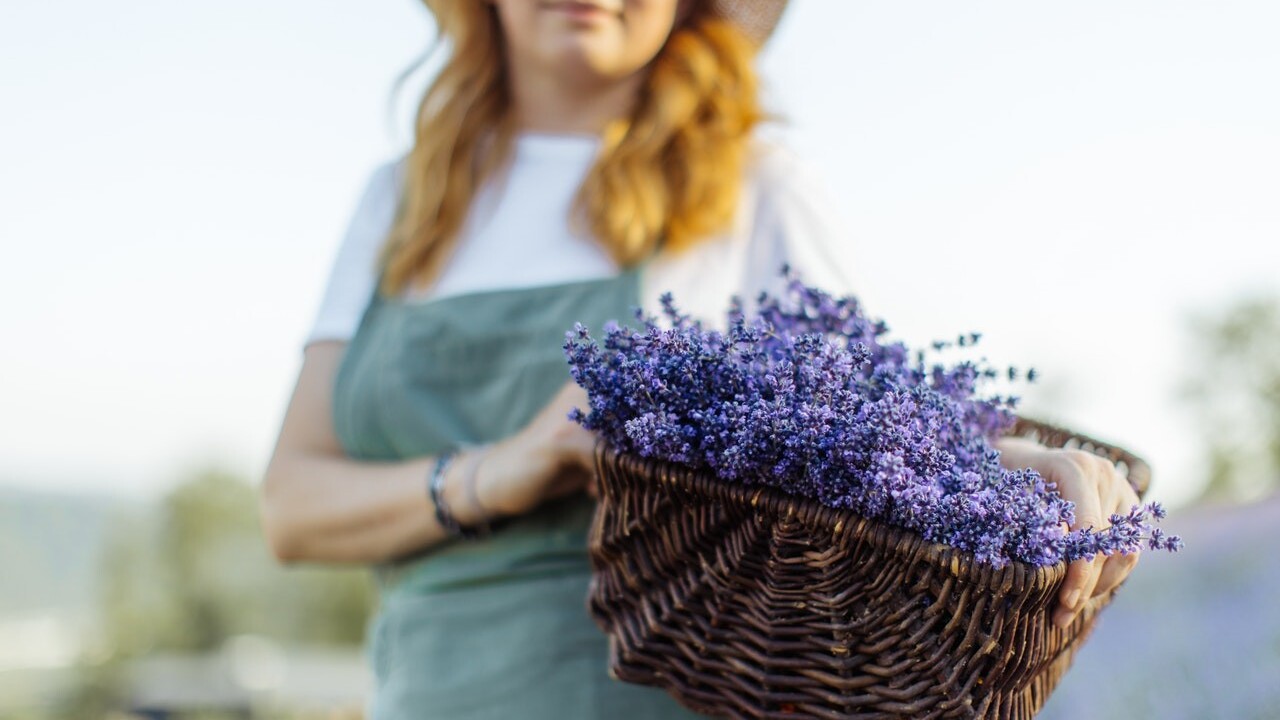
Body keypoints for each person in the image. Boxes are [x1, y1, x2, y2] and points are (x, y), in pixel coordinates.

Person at [261, 1, 1142, 717]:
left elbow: (868, 430)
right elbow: (291, 506)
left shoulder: (751, 186)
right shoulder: (403, 200)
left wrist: (1016, 467)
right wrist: (504, 469)